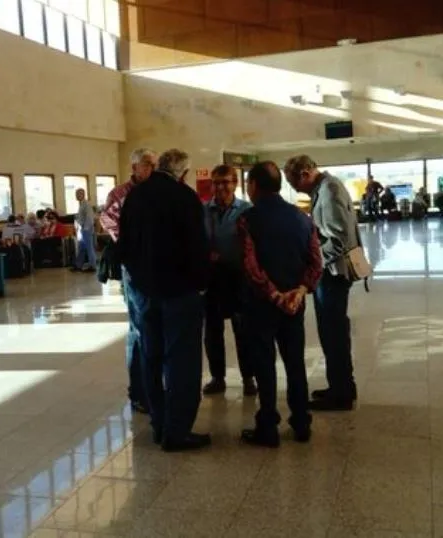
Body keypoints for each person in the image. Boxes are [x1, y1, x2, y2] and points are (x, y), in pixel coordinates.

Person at [119, 148, 210, 452]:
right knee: (182, 362)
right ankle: (178, 431)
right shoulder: (185, 198)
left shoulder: (135, 197)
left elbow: (125, 247)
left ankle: (158, 424)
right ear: (182, 173)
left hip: (146, 292)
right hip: (180, 294)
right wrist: (201, 286)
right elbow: (198, 248)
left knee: (151, 358)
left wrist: (141, 283)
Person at [237, 162, 323, 447]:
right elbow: (315, 261)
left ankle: (268, 427)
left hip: (261, 306)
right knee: (295, 363)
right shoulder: (302, 218)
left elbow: (251, 265)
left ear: (253, 186)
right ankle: (301, 422)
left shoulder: (248, 220)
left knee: (265, 365)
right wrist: (299, 291)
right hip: (294, 306)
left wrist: (273, 295)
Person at [284, 155, 359, 411]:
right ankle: (340, 386)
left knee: (334, 333)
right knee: (330, 333)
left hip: (333, 274)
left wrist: (315, 262)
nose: (294, 188)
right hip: (328, 274)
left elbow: (339, 238)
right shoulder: (324, 188)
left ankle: (342, 393)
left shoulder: (329, 190)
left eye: (293, 182)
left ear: (305, 173)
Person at [101, 148, 157, 414]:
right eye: (147, 164)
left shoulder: (160, 190)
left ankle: (155, 386)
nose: (152, 169)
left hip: (157, 265)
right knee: (138, 327)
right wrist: (133, 243)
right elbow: (108, 220)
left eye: (155, 164)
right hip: (134, 267)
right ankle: (138, 391)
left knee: (154, 325)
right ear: (134, 167)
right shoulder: (121, 194)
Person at [201, 165, 256, 397]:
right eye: (216, 183)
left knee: (243, 331)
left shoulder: (247, 211)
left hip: (238, 279)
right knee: (212, 332)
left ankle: (248, 378)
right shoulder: (202, 211)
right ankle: (218, 377)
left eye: (226, 182)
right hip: (211, 280)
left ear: (235, 184)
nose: (221, 187)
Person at [71, 188, 97, 273]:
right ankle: (78, 265)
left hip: (86, 229)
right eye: (76, 194)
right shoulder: (81, 205)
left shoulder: (86, 204)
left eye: (79, 194)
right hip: (81, 229)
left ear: (83, 195)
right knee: (81, 248)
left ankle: (93, 266)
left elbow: (89, 217)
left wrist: (85, 229)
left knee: (89, 248)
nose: (77, 195)